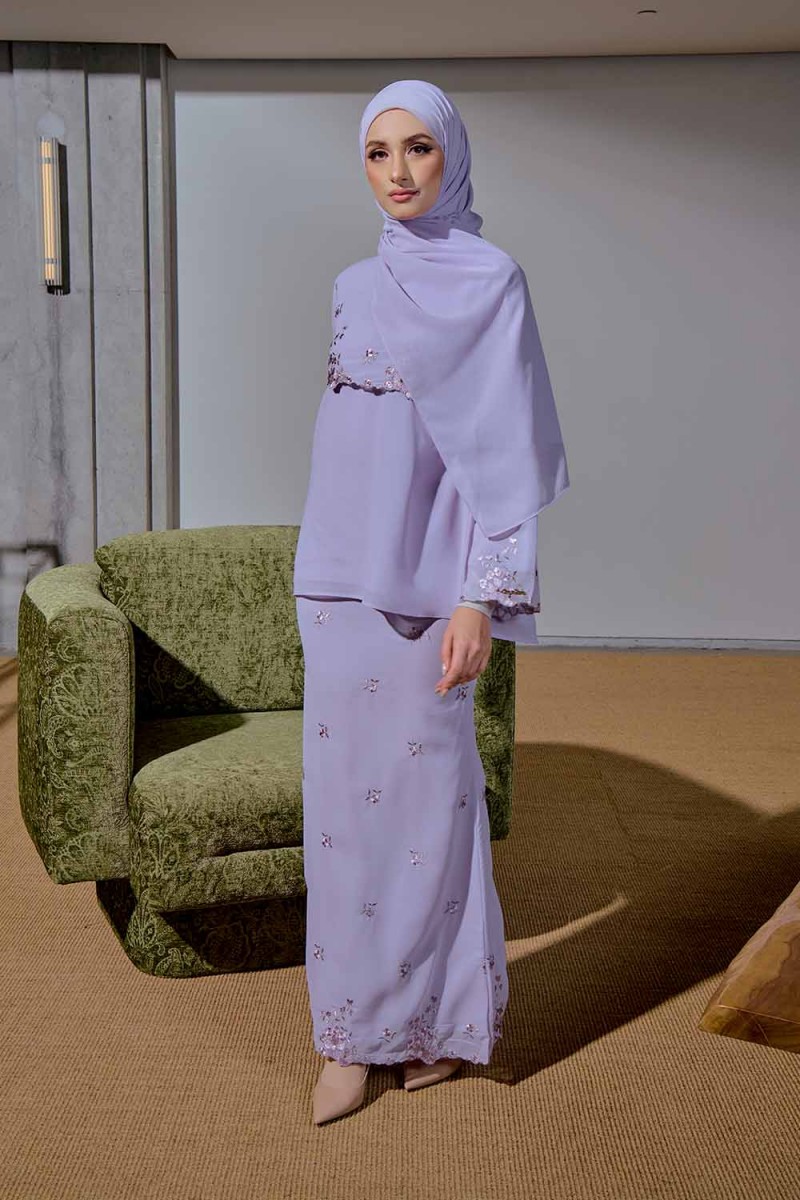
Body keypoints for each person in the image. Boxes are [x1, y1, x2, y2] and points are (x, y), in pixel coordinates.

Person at [292, 78, 569, 1125]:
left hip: (432, 594)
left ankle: (437, 1026)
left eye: (417, 148)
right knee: (341, 819)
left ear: (451, 155)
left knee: (428, 816)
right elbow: (344, 443)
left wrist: (479, 600)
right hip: (334, 582)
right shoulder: (350, 286)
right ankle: (347, 1037)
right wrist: (322, 562)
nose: (398, 172)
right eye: (377, 152)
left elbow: (504, 458)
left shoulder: (493, 283)